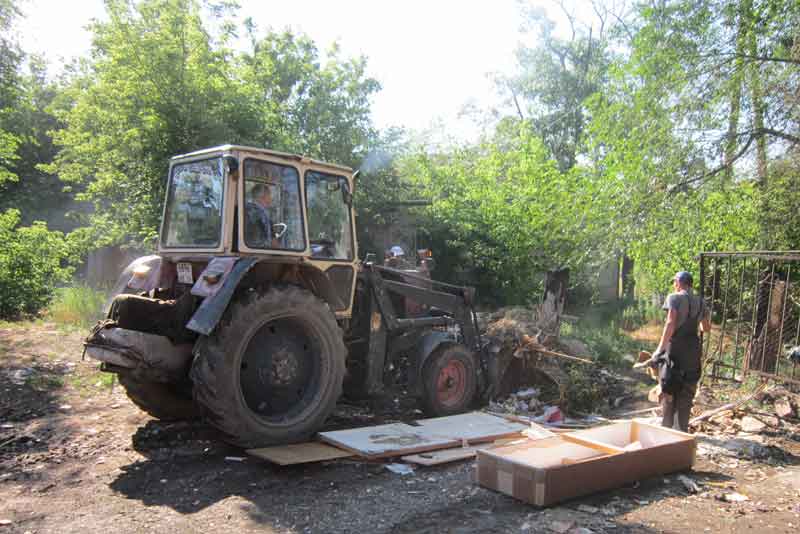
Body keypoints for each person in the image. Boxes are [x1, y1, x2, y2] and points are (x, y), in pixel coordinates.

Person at [654, 271, 711, 432]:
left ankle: (666, 431)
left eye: (675, 282)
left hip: (676, 350)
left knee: (670, 388)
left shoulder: (674, 297)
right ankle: (681, 433)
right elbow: (705, 328)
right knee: (687, 390)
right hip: (693, 350)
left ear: (679, 282)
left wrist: (659, 349)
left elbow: (670, 323)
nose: (674, 285)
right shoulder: (701, 301)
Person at [245, 182, 276, 248]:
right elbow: (268, 240)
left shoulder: (263, 213)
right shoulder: (253, 213)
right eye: (269, 195)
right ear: (262, 197)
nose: (271, 198)